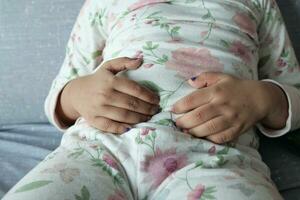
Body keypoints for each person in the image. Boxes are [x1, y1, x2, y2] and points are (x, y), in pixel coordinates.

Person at [3, 0, 300, 199]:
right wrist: (79, 96)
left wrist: (262, 98)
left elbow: (292, 89)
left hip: (216, 160)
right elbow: (63, 89)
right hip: (96, 152)